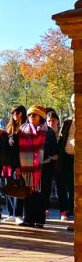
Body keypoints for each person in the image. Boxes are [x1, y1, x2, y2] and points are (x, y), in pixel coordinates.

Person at [15, 105, 57, 228]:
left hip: (43, 168)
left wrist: (41, 159)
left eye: (34, 115)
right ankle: (28, 219)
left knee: (41, 194)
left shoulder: (48, 131)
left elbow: (53, 150)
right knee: (28, 193)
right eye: (29, 115)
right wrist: (17, 166)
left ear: (41, 117)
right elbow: (16, 150)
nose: (31, 117)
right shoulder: (22, 130)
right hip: (27, 168)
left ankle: (39, 220)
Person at [3, 105, 26, 223]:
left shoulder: (25, 128)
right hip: (8, 163)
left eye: (19, 113)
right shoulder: (9, 128)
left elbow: (18, 149)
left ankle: (18, 214)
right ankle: (11, 213)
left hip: (18, 162)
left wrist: (17, 166)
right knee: (9, 187)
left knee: (18, 186)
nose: (16, 115)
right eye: (14, 113)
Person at [56, 94, 75, 222]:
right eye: (73, 102)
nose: (75, 104)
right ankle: (66, 211)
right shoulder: (68, 121)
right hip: (67, 159)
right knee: (65, 185)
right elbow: (62, 140)